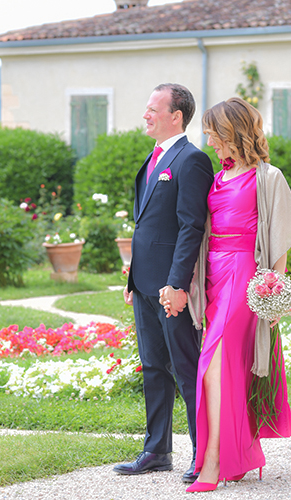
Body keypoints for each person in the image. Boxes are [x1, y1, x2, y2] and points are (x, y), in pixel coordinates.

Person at [182, 97, 291, 493]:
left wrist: (273, 297)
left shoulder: (268, 177)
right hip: (213, 277)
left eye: (213, 133)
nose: (209, 140)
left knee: (212, 364)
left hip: (243, 276)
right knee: (228, 370)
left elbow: (280, 241)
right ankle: (236, 457)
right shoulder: (219, 177)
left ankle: (213, 463)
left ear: (232, 132)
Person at [113, 83, 214, 483]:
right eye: (146, 108)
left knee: (186, 368)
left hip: (172, 288)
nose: (146, 115)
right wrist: (134, 276)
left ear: (177, 116)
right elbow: (148, 226)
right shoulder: (152, 159)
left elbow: (191, 227)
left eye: (154, 109)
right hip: (144, 284)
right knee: (153, 367)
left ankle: (203, 453)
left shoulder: (192, 160)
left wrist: (178, 284)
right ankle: (156, 450)